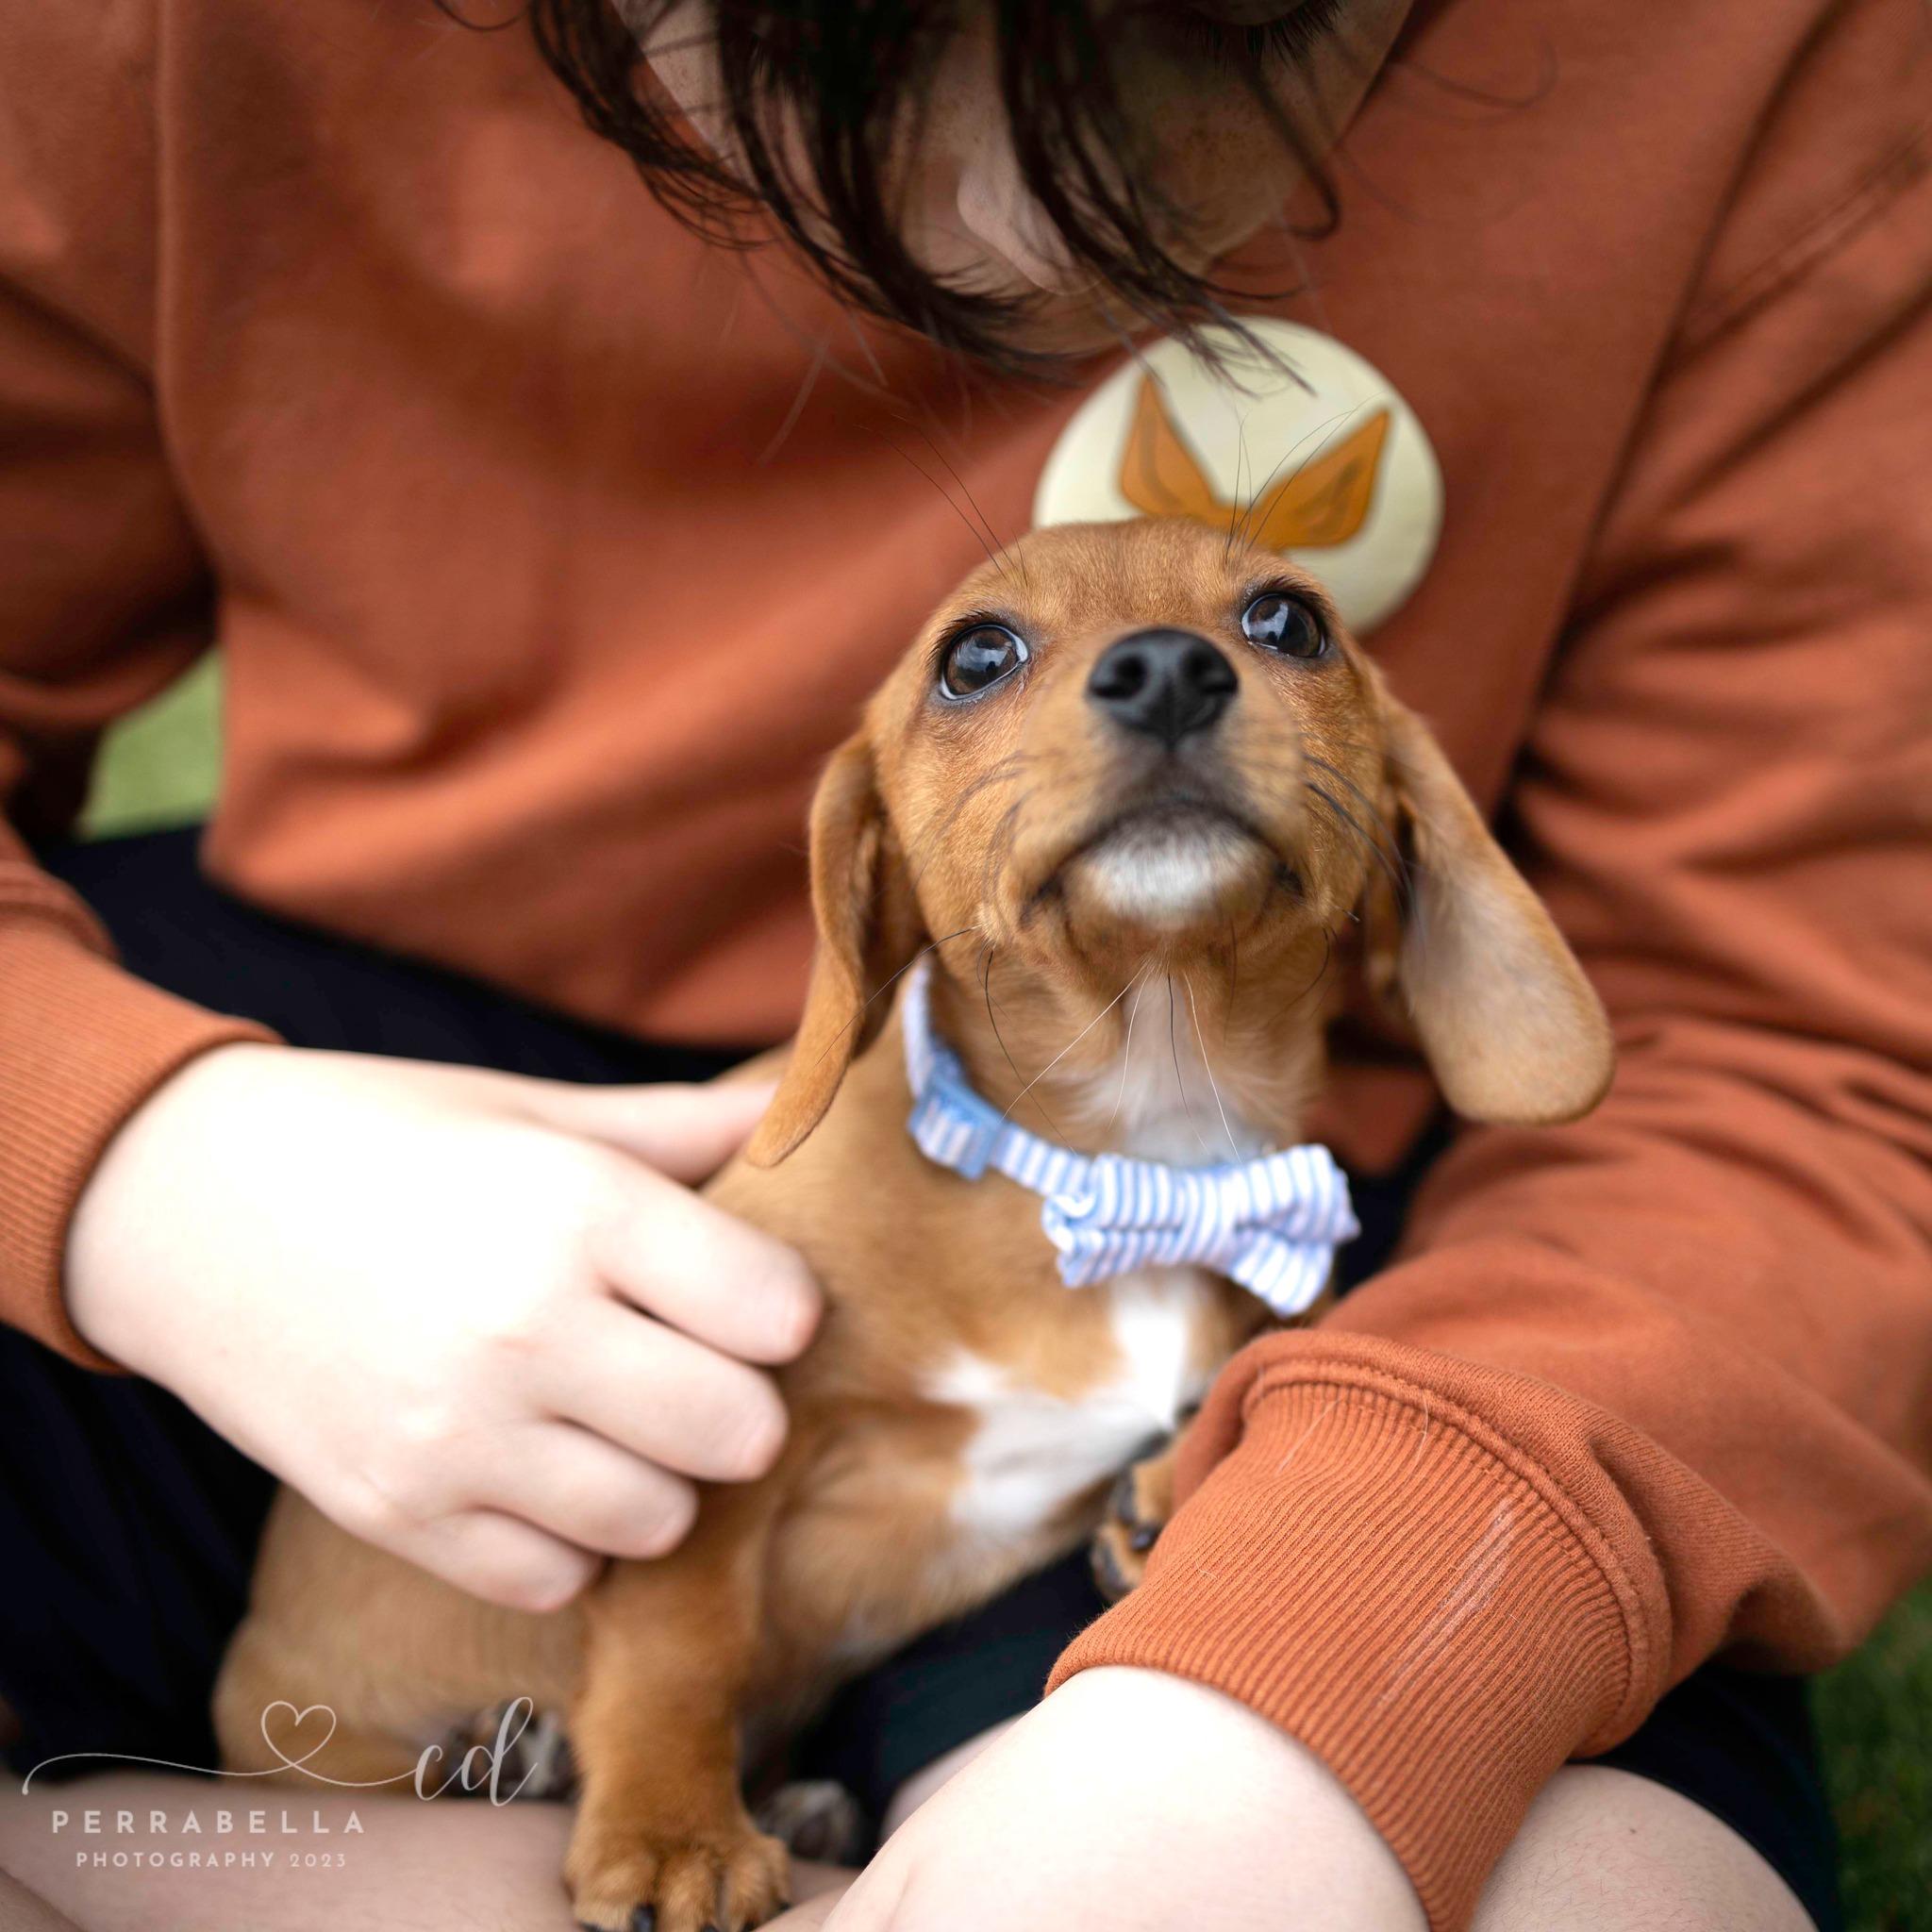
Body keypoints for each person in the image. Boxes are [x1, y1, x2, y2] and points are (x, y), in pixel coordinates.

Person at [1, 2, 1928, 1927]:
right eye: (992, 661)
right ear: (867, 874)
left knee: (1576, 1894)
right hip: (331, 1126)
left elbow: (1797, 1044)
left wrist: (1310, 1676)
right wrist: (126, 1159)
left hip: (1403, 1275)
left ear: (1407, 824)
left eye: (1267, 626)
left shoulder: (1778, 65)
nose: (1162, 677)